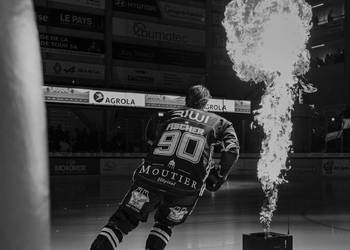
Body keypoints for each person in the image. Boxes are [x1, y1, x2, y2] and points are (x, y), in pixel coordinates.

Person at [90, 85, 240, 250]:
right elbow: (232, 150)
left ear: (186, 99)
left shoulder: (166, 116)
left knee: (121, 221)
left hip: (151, 177)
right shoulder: (221, 122)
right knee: (164, 225)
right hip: (186, 187)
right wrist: (219, 176)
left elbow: (149, 138)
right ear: (206, 103)